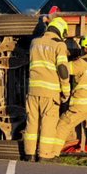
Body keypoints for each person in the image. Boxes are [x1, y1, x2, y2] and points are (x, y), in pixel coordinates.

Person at [24, 16, 71, 161]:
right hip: (50, 93)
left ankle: (29, 154)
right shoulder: (59, 45)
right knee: (48, 124)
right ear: (61, 31)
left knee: (32, 122)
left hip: (33, 91)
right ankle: (44, 155)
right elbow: (63, 69)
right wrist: (66, 90)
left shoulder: (34, 42)